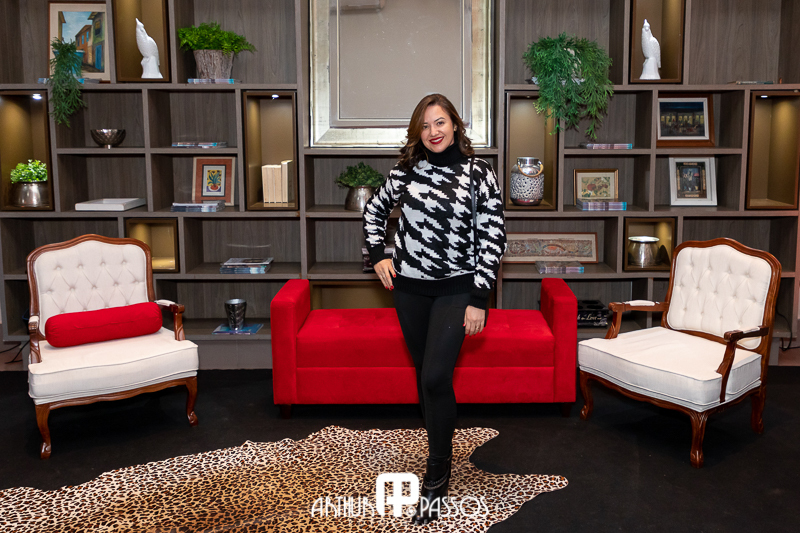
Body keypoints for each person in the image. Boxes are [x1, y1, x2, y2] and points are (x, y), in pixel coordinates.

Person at [363, 93, 507, 525]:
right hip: (409, 289)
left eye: (440, 122)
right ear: (418, 132)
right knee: (425, 377)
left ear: (455, 125)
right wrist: (378, 255)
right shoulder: (405, 171)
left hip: (457, 289)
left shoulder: (478, 173)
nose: (433, 132)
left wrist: (479, 298)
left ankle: (437, 473)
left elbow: (493, 236)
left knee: (435, 376)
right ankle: (438, 447)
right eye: (425, 126)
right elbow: (373, 211)